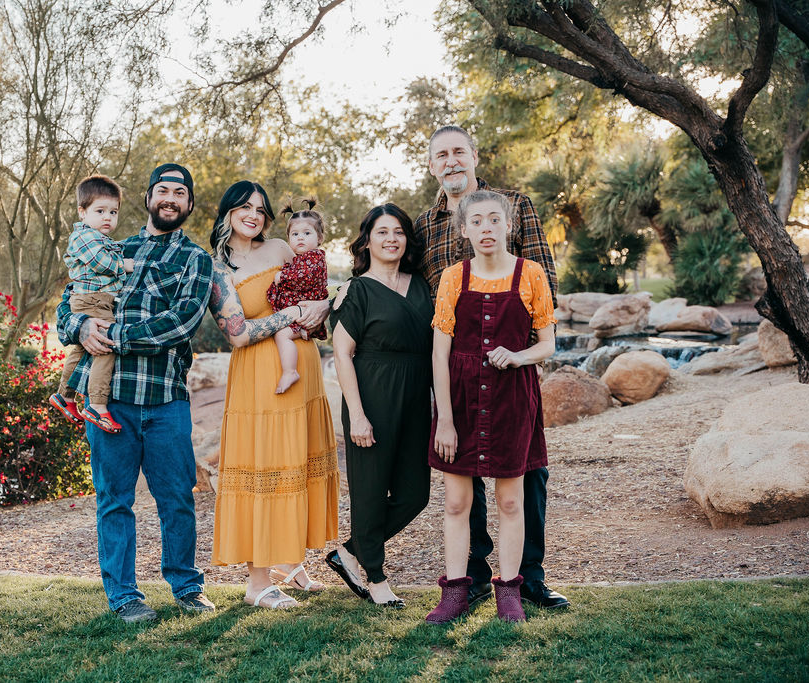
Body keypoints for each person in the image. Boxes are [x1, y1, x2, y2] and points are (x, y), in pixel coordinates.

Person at [414, 124, 569, 611]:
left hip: (510, 376)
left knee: (521, 489)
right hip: (460, 379)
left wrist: (524, 355)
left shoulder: (515, 205)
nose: (452, 160)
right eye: (442, 155)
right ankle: (471, 582)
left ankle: (524, 582)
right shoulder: (424, 225)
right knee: (464, 496)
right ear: (432, 164)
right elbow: (421, 297)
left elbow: (543, 284)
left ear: (474, 155)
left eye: (459, 151)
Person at [56, 163, 215, 623]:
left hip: (166, 399)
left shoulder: (194, 259)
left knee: (178, 499)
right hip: (112, 399)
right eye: (162, 190)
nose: (170, 198)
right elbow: (68, 306)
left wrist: (116, 334)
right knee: (114, 500)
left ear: (187, 204)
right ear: (148, 198)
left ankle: (186, 586)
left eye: (179, 192)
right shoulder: (110, 249)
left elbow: (182, 322)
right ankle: (124, 596)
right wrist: (82, 325)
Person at [207, 180, 339, 610]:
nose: (254, 215)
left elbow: (315, 298)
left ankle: (289, 561)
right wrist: (291, 314)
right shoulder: (216, 269)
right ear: (227, 211)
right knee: (266, 466)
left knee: (298, 463)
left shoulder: (284, 247)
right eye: (244, 206)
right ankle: (257, 582)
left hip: (303, 365)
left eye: (261, 209)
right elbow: (238, 334)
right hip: (261, 377)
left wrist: (318, 312)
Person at [327, 203, 434, 609]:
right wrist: (357, 414)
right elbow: (341, 354)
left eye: (399, 232)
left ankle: (350, 551)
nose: (391, 239)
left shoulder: (422, 286)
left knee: (414, 495)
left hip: (415, 401)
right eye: (383, 232)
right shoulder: (356, 290)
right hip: (371, 397)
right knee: (369, 493)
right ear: (367, 240)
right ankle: (376, 577)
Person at [49, 174, 134, 433]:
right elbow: (99, 262)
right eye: (100, 211)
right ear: (82, 212)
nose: (108, 217)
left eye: (113, 212)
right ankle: (97, 405)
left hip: (94, 300)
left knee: (81, 349)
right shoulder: (85, 237)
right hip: (93, 300)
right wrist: (124, 265)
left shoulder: (100, 238)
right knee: (105, 347)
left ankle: (65, 396)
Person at [266, 197, 329, 394]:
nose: (300, 237)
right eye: (295, 234)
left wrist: (281, 276)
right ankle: (303, 332)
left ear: (319, 238)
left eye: (306, 233)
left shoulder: (315, 258)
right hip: (300, 312)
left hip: (305, 313)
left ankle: (290, 371)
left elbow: (302, 277)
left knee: (282, 335)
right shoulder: (300, 259)